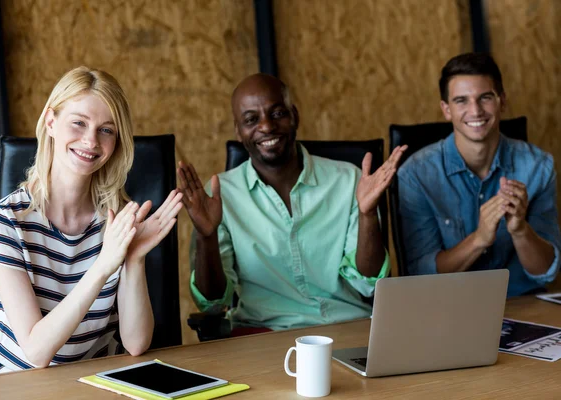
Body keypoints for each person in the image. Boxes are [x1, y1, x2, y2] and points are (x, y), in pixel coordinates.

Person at [0, 67, 183, 375]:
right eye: (78, 123)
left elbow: (136, 343)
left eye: (106, 130)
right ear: (51, 122)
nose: (91, 141)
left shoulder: (116, 219)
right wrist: (104, 265)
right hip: (19, 385)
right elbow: (36, 352)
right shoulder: (4, 221)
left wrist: (133, 258)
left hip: (95, 382)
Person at [178, 73, 406, 332]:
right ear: (238, 131)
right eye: (251, 119)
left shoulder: (348, 180)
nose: (266, 126)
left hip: (349, 328)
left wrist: (368, 215)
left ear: (294, 116)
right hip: (263, 338)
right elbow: (212, 304)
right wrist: (206, 238)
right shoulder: (221, 195)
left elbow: (368, 283)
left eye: (277, 114)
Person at [397, 52, 561, 296]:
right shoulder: (415, 175)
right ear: (446, 110)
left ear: (502, 102)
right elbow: (421, 274)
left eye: (485, 97)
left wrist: (520, 231)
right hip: (449, 307)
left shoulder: (539, 166)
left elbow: (546, 271)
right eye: (461, 100)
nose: (475, 111)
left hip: (522, 306)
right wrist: (479, 239)